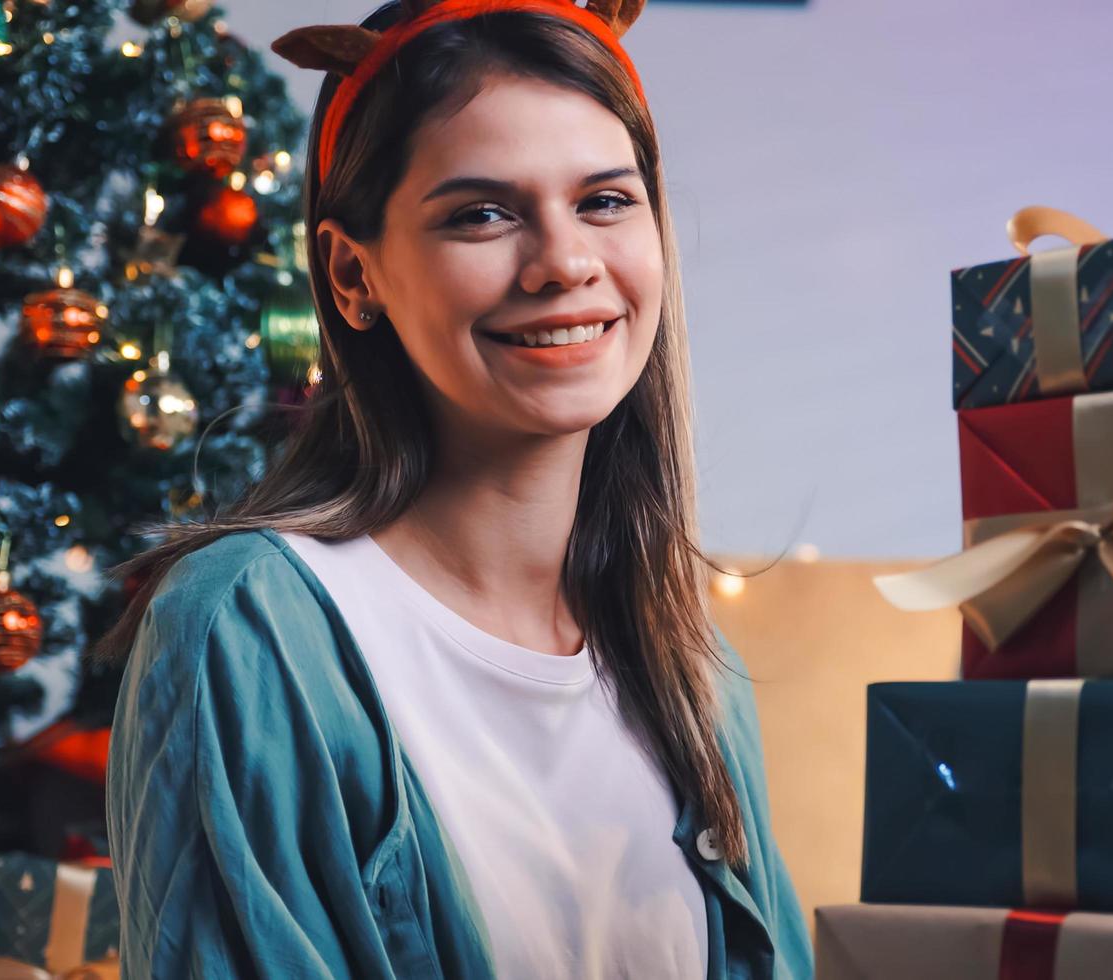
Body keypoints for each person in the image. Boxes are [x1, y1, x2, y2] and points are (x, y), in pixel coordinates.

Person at [97, 1, 811, 976]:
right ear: (353, 275)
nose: (564, 261)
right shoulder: (251, 631)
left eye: (604, 199)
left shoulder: (697, 675)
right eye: (481, 213)